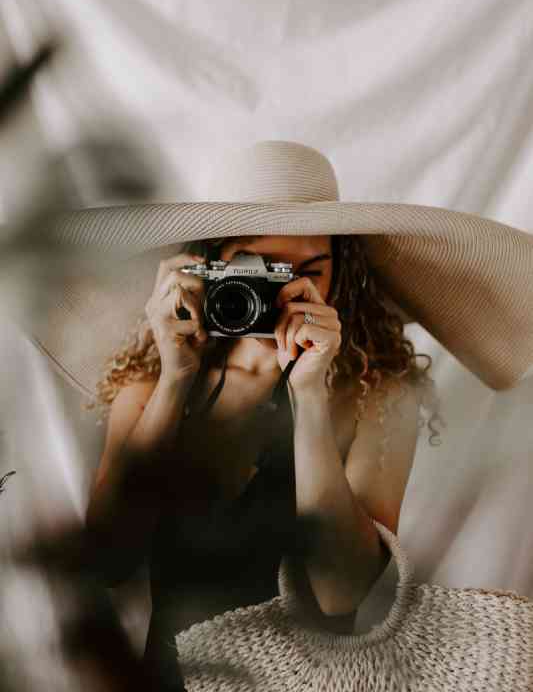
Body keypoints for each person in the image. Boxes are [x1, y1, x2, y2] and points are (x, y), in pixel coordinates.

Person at [85, 229, 438, 691]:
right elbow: (106, 564)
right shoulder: (151, 384)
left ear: (342, 276)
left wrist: (309, 395)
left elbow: (341, 593)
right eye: (260, 267)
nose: (280, 293)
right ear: (207, 267)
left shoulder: (377, 396)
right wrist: (175, 379)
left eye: (308, 272)